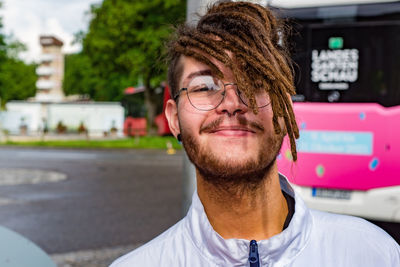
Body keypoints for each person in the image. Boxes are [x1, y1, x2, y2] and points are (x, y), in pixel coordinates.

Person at [110, 1, 400, 266]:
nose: (233, 104)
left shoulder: (372, 253)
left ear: (286, 110)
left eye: (255, 82)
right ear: (174, 119)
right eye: (205, 87)